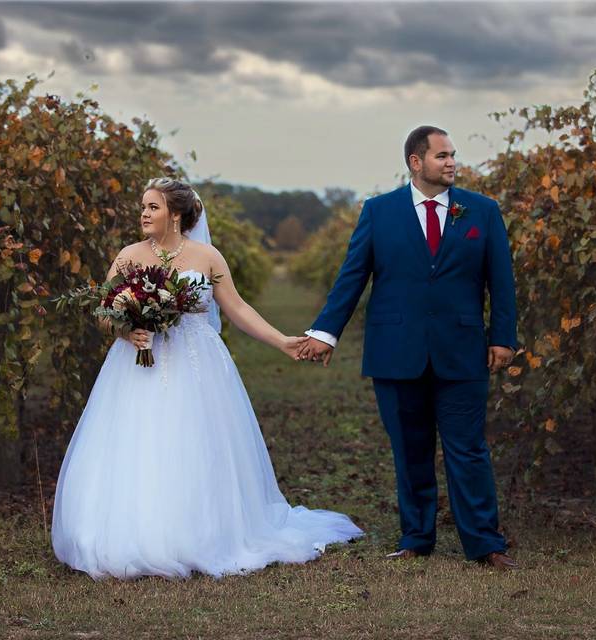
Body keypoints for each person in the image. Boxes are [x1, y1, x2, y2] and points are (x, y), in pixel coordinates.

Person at [51, 177, 363, 580]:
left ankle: (197, 533)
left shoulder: (207, 257)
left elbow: (237, 307)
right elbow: (102, 310)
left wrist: (282, 341)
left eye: (153, 207)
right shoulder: (129, 256)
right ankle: (133, 533)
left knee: (193, 444)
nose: (144, 214)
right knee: (137, 441)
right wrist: (127, 331)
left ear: (176, 214)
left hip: (198, 366)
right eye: (143, 207)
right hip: (136, 367)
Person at [298, 126, 518, 570]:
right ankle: (416, 537)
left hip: (462, 350)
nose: (451, 162)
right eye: (442, 156)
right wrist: (325, 332)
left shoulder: (482, 211)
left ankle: (485, 543)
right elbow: (352, 276)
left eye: (453, 155)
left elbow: (502, 281)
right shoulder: (379, 212)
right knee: (410, 449)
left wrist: (502, 336)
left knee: (468, 448)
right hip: (396, 350)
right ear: (416, 162)